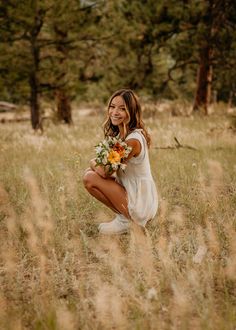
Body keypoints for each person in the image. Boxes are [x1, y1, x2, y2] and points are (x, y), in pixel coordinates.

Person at [83, 88, 158, 234]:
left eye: (122, 109)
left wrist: (93, 161)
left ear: (132, 112)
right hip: (133, 193)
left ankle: (132, 222)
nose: (115, 112)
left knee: (89, 176)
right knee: (90, 174)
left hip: (140, 202)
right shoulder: (122, 136)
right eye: (112, 106)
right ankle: (124, 219)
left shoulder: (132, 141)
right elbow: (111, 171)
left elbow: (105, 172)